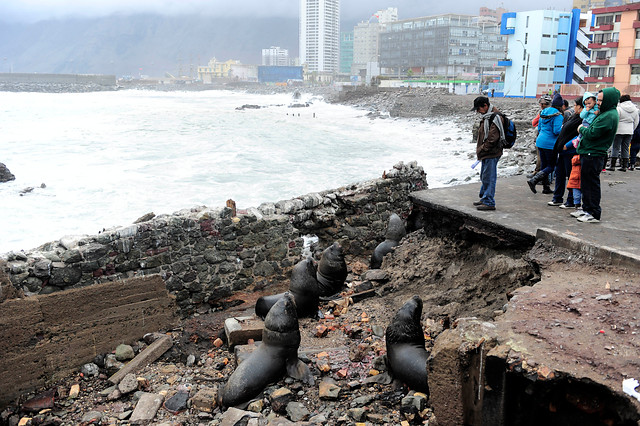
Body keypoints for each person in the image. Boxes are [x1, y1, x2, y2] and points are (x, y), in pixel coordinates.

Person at [576, 87, 621, 223]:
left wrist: (581, 129)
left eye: (601, 100)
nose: (598, 103)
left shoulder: (609, 116)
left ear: (609, 100)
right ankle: (587, 209)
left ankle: (593, 212)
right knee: (586, 183)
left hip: (594, 153)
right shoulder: (605, 113)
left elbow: (593, 133)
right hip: (590, 152)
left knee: (591, 184)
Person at [548, 96, 583, 208]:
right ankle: (557, 197)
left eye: (575, 105)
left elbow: (579, 136)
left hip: (570, 151)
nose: (574, 107)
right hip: (563, 151)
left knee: (571, 176)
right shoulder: (574, 116)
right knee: (560, 174)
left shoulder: (582, 119)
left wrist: (567, 146)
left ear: (580, 107)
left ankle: (571, 200)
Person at [471, 96, 504, 211]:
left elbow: (492, 138)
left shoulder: (495, 117)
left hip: (491, 152)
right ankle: (485, 198)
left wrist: (481, 149)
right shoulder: (488, 116)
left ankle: (489, 202)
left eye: (478, 109)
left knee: (489, 177)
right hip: (487, 153)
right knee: (484, 176)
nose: (477, 111)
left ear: (485, 106)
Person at [528, 93, 563, 194]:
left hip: (540, 141)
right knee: (551, 165)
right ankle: (534, 180)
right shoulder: (558, 115)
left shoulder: (543, 112)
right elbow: (556, 131)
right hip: (550, 143)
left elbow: (538, 127)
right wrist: (563, 129)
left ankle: (546, 187)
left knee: (544, 165)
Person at [609, 94, 639, 172]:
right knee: (625, 148)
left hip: (619, 130)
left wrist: (614, 129)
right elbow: (636, 121)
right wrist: (632, 129)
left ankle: (612, 165)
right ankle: (624, 166)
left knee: (615, 147)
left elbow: (616, 119)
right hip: (629, 131)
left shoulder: (619, 108)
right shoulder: (635, 109)